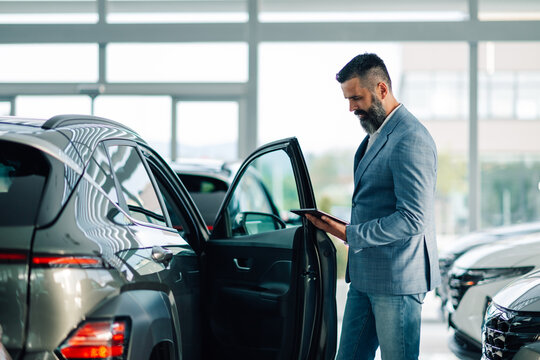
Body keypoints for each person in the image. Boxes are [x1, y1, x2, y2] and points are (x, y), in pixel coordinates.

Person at [306, 53, 441, 360]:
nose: (351, 108)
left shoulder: (410, 138)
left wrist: (349, 233)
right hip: (366, 276)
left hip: (397, 279)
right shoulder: (377, 134)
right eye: (348, 99)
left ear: (381, 89)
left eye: (356, 98)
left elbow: (413, 218)